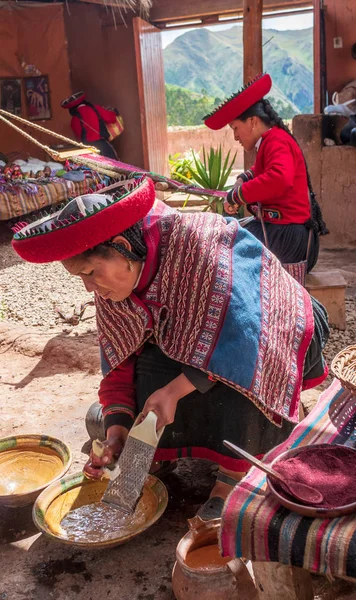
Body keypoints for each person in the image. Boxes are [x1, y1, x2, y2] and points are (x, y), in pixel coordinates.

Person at [12, 177, 329, 520]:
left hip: (276, 329)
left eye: (91, 272)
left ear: (122, 246)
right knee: (147, 378)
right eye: (81, 278)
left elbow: (246, 333)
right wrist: (117, 429)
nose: (91, 288)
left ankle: (233, 476)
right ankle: (160, 451)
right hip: (219, 340)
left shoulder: (194, 245)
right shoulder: (114, 288)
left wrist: (174, 391)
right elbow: (121, 361)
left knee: (241, 374)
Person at [204, 73, 328, 274]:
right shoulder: (272, 141)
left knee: (221, 250)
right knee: (225, 234)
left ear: (252, 121)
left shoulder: (276, 141)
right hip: (286, 234)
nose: (235, 136)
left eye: (236, 128)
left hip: (290, 239)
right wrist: (245, 178)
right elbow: (267, 170)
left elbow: (279, 177)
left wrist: (238, 195)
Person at [61, 91, 118, 160]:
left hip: (87, 149)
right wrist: (113, 112)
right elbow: (112, 118)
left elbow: (78, 136)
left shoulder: (74, 120)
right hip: (103, 146)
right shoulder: (95, 109)